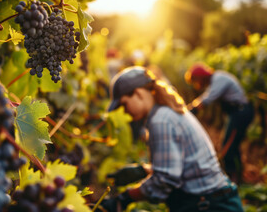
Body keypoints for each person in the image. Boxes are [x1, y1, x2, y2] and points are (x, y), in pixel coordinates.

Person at [99, 66, 243, 212]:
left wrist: (125, 198)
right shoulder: (166, 112)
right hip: (218, 199)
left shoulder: (160, 120)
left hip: (210, 206)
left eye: (124, 104)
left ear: (138, 94)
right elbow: (181, 167)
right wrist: (142, 170)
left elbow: (165, 180)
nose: (125, 111)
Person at [184, 62, 254, 184]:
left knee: (228, 146)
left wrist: (191, 110)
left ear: (201, 77)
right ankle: (238, 177)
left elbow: (209, 97)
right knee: (233, 145)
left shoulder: (219, 78)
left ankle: (233, 181)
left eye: (196, 80)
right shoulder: (216, 79)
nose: (197, 84)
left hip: (240, 113)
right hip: (237, 113)